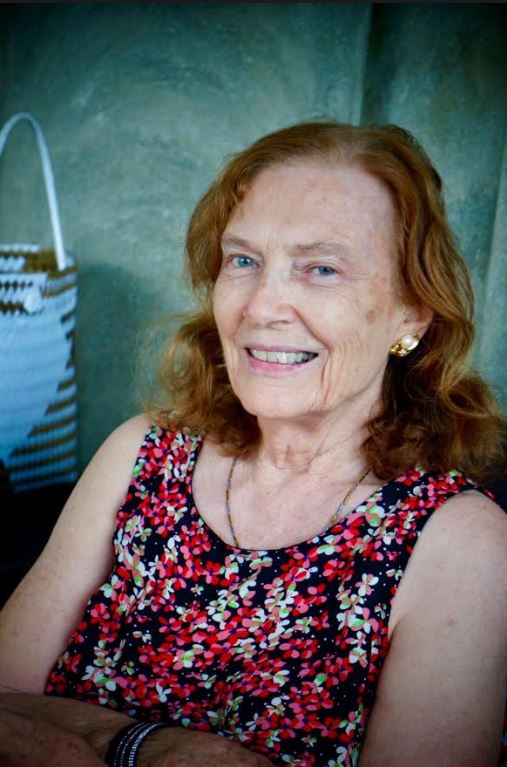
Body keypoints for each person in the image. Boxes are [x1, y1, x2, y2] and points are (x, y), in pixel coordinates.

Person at [0, 121, 506, 767]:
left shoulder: (461, 543)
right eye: (243, 260)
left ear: (411, 312)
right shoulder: (143, 451)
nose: (262, 306)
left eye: (321, 269)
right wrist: (146, 744)